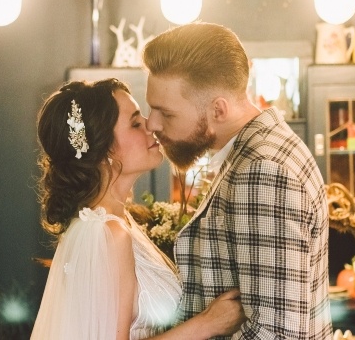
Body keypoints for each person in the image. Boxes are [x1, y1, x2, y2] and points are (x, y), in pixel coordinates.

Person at [142, 23, 333, 339]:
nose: (151, 123)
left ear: (218, 109)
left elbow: (275, 334)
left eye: (167, 113)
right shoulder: (257, 152)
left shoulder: (262, 170)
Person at [31, 78, 245, 340]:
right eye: (134, 123)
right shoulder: (109, 234)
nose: (150, 125)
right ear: (102, 150)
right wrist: (207, 324)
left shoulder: (118, 223)